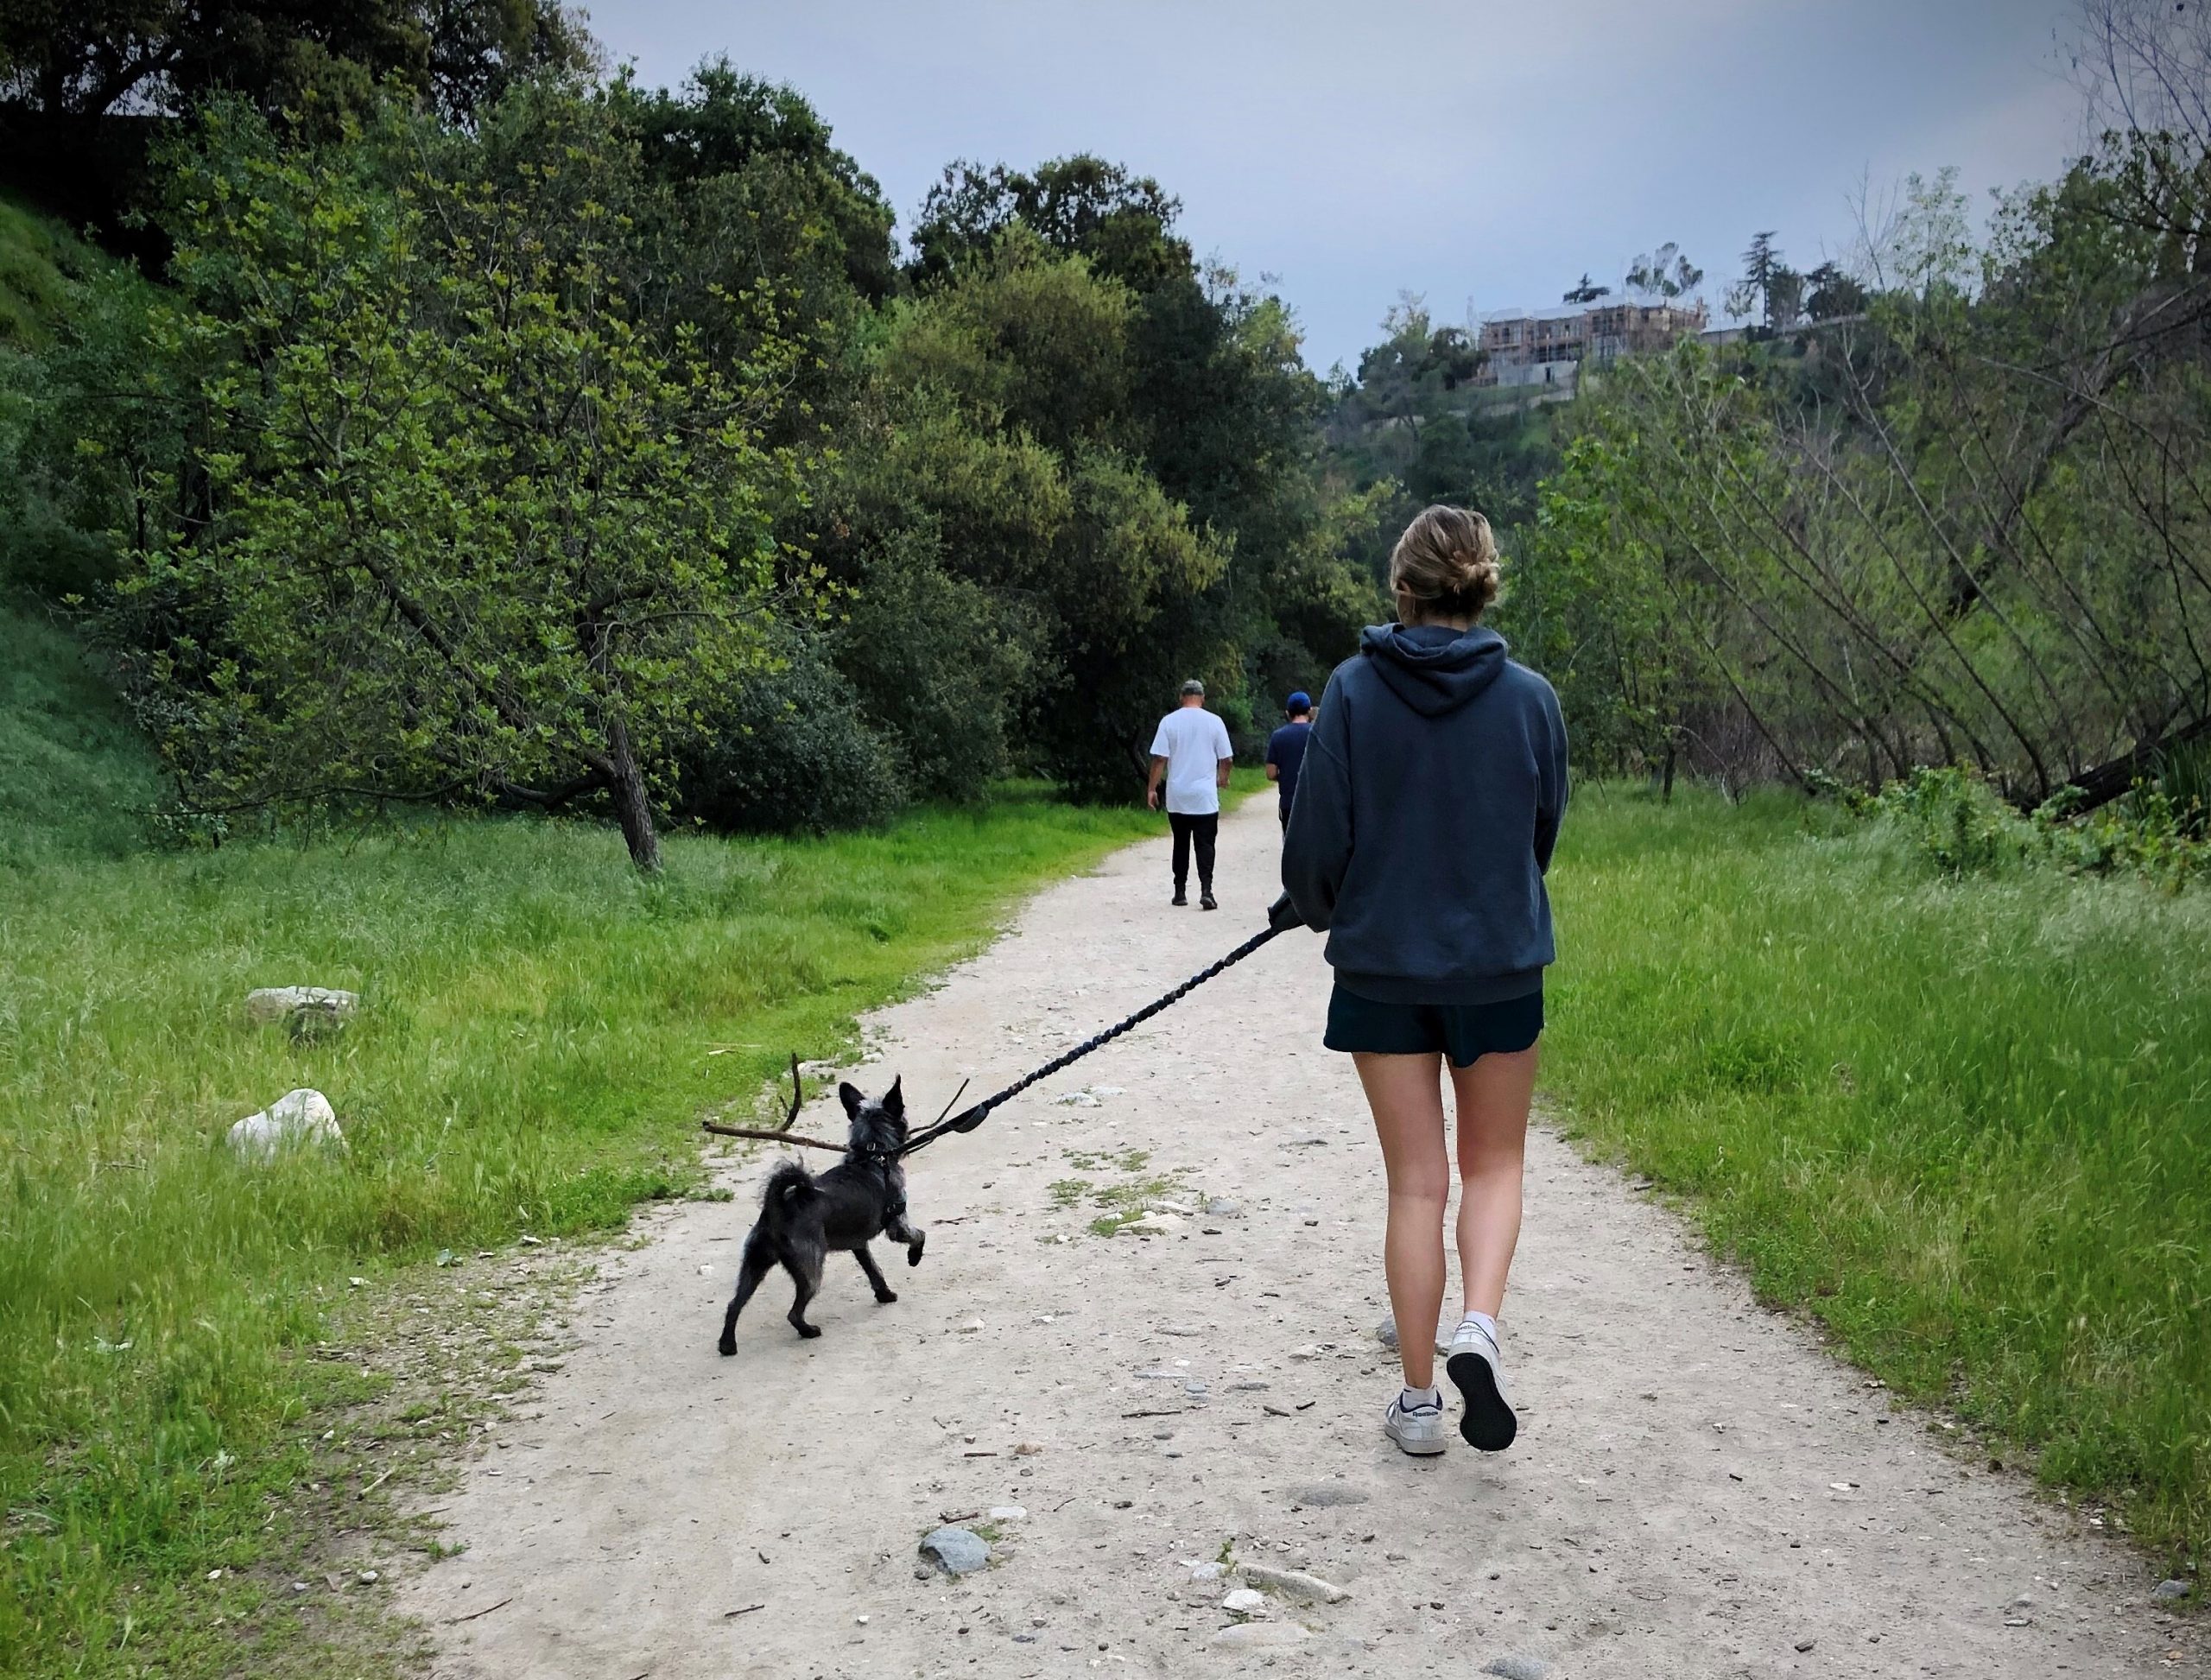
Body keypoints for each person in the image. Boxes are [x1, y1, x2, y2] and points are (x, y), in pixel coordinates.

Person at [1279, 504, 1568, 1459]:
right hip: (1498, 966)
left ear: (1400, 589)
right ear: (1483, 587)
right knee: (1494, 1166)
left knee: (1415, 1183)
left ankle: (1416, 1403)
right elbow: (1540, 834)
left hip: (1383, 971)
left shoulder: (1353, 692)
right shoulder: (1532, 700)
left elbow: (1317, 841)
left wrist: (1317, 904)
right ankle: (1477, 1327)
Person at [1146, 679, 1234, 910]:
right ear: (1203, 697)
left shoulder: (1169, 722)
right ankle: (1207, 890)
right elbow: (1227, 759)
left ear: (1181, 697)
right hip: (1205, 797)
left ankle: (1180, 891)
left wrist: (1152, 789)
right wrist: (1222, 779)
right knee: (1206, 844)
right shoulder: (1215, 722)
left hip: (1178, 796)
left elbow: (1159, 759)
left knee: (1181, 843)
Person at [1264, 692, 1314, 829]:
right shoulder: (1318, 734)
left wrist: (1286, 776)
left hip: (1289, 802)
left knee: (1291, 846)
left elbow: (1271, 773)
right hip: (1315, 802)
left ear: (1287, 713)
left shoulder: (1278, 736)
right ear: (1309, 711)